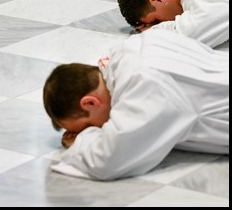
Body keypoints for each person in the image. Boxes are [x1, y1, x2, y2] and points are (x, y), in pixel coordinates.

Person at [43, 29, 229, 181]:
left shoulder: (142, 86)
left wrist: (80, 141)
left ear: (90, 102)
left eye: (87, 127)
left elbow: (107, 161)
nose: (96, 129)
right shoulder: (139, 43)